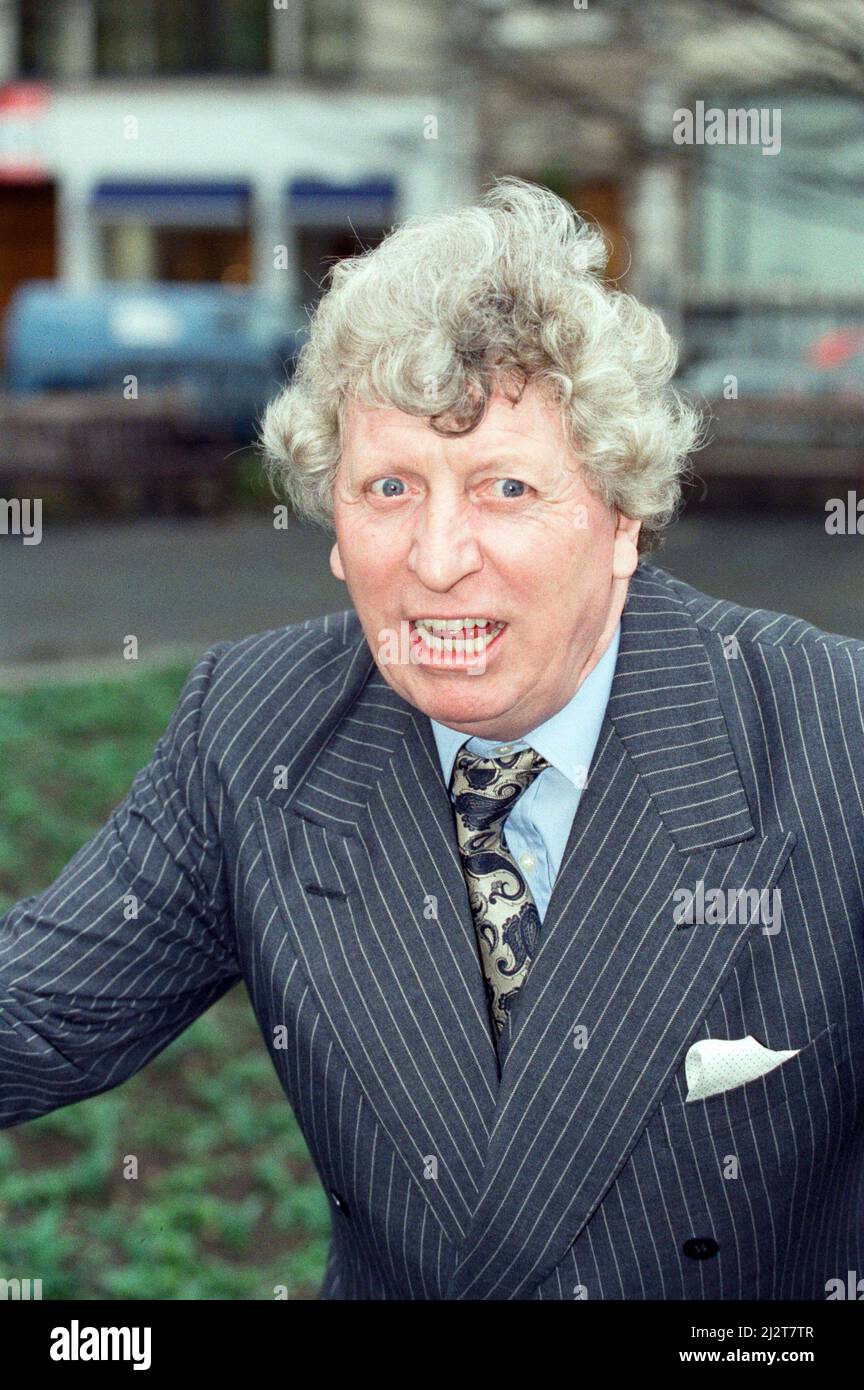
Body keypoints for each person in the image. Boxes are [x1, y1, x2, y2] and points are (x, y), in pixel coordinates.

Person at [2, 179, 862, 1301]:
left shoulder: (830, 732)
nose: (439, 554)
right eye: (390, 486)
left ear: (621, 519)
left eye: (507, 486)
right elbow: (33, 1014)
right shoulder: (256, 727)